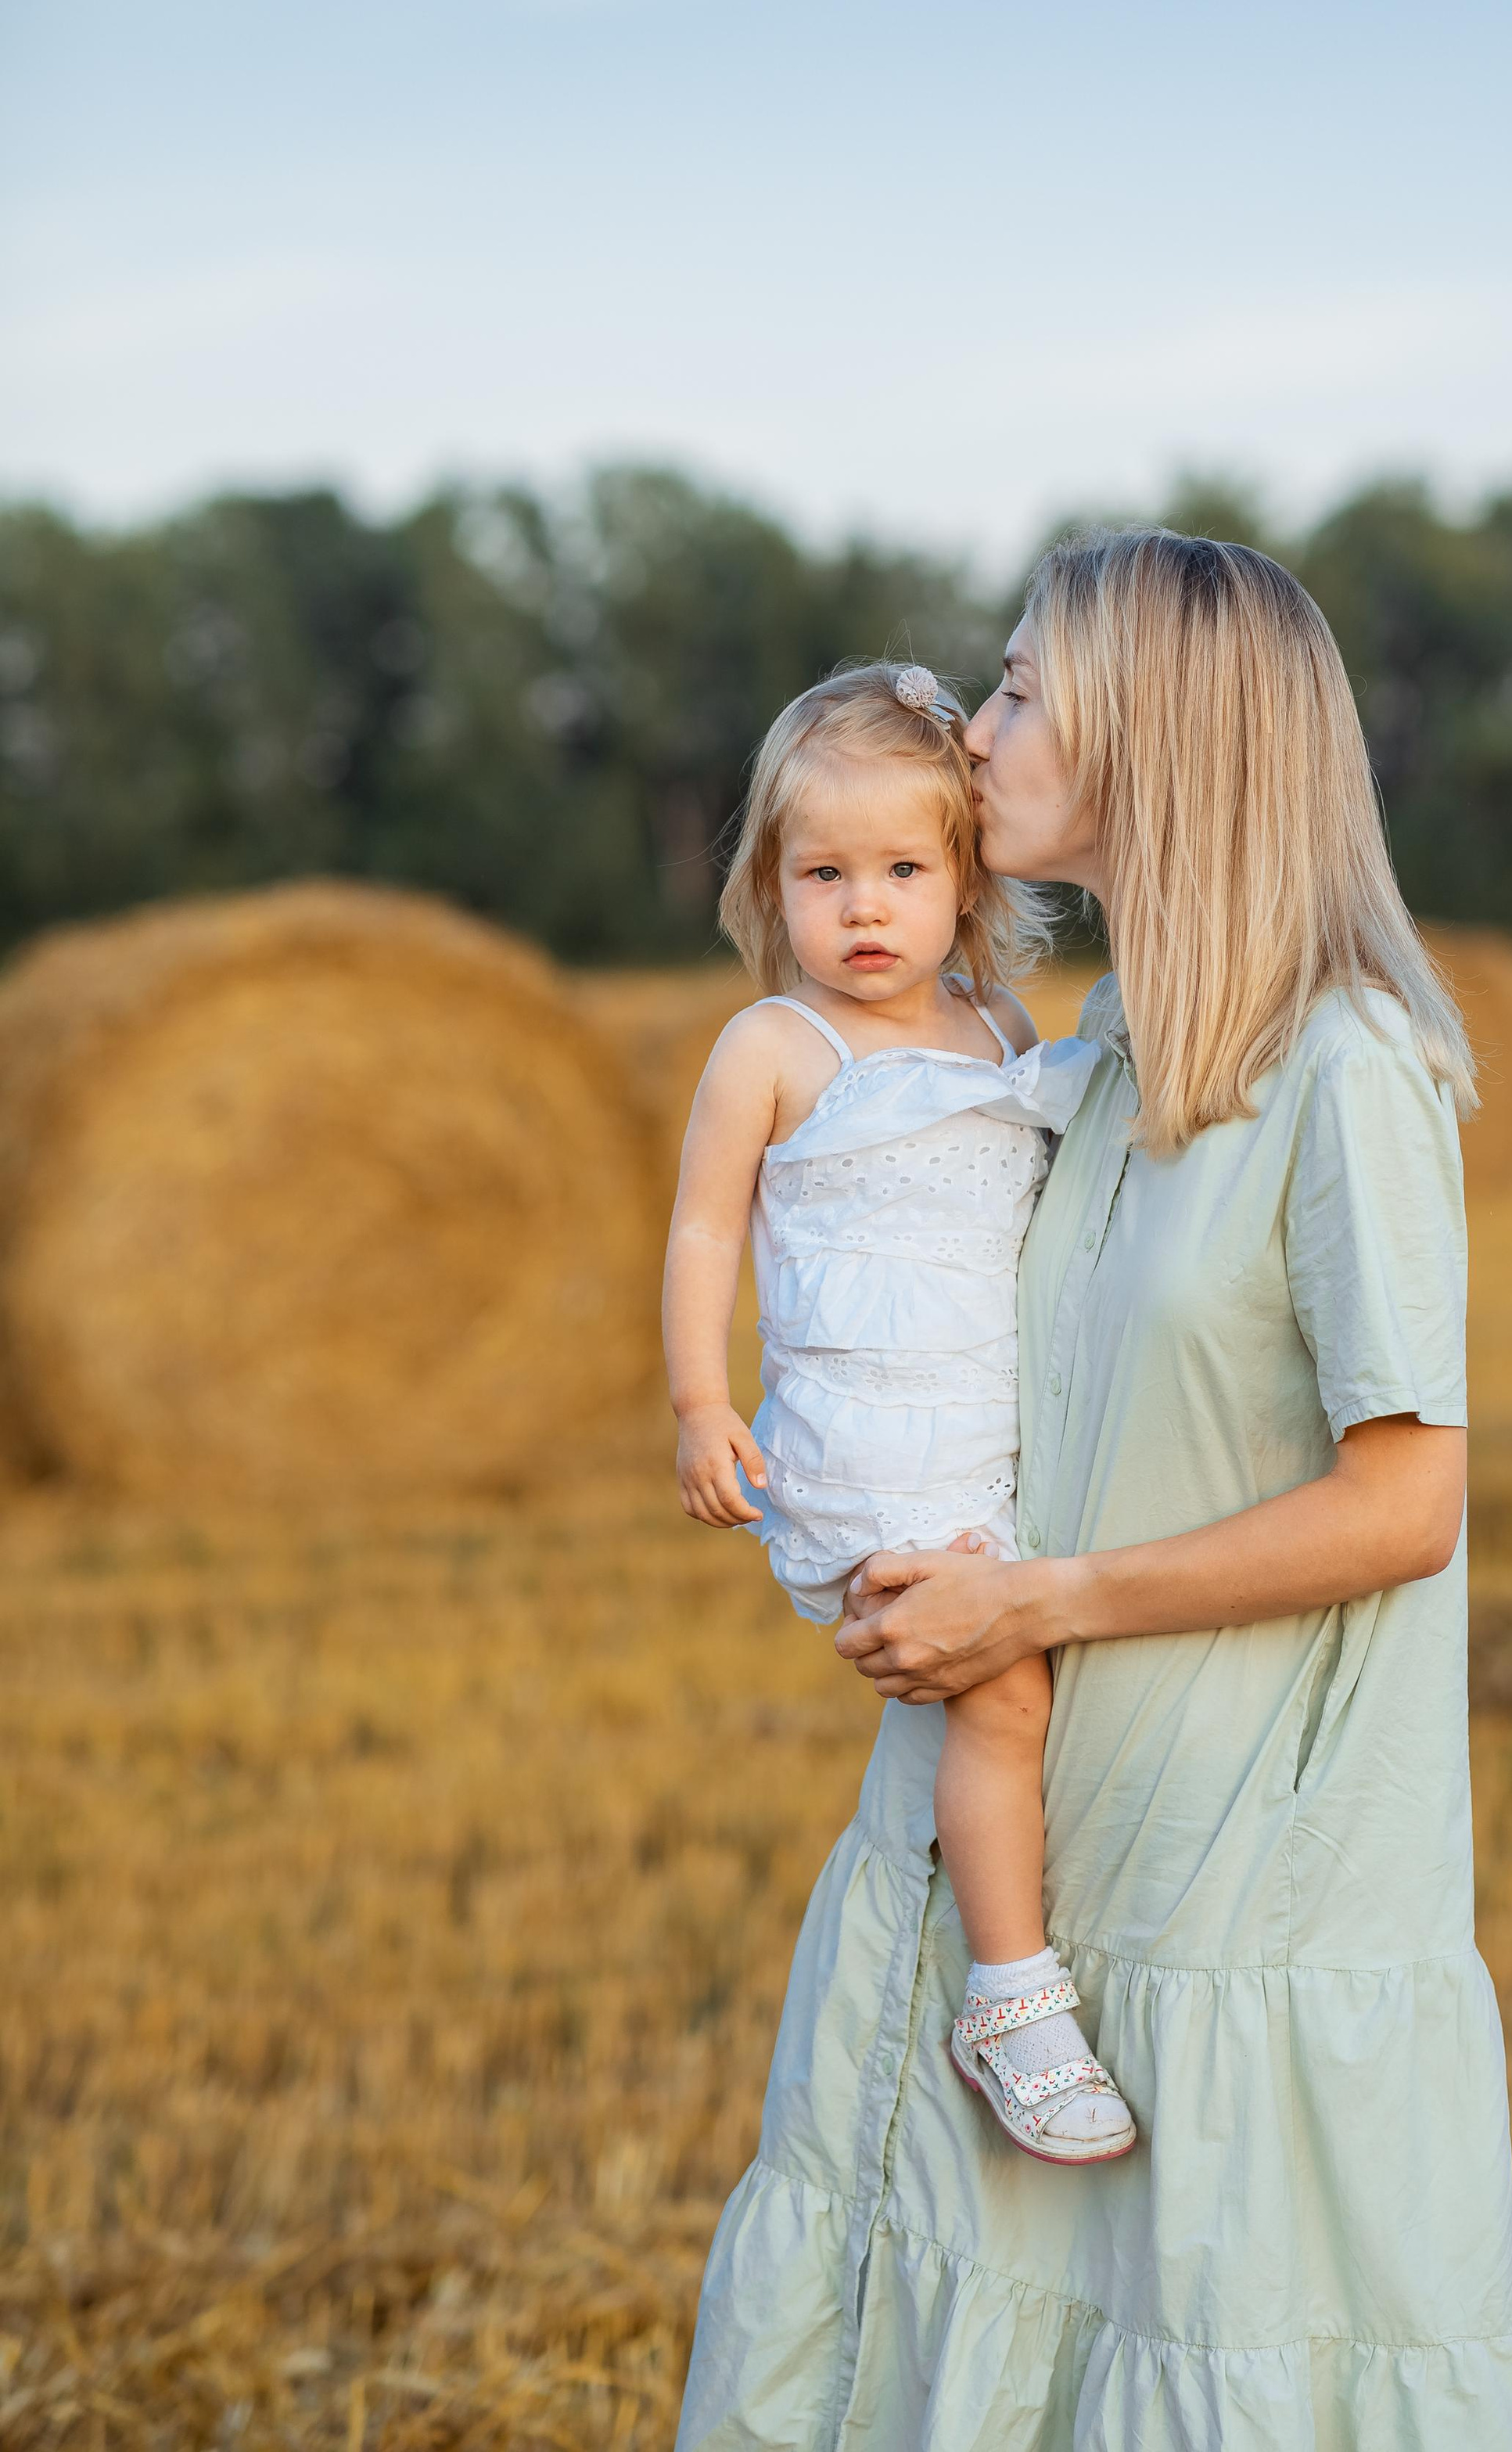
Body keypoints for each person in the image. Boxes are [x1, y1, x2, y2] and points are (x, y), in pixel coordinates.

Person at [676, 536, 1512, 2450]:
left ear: (1152, 737)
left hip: (1240, 1873)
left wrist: (1036, 1605)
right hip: (1030, 1852)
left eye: (1013, 692)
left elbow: (1403, 1507)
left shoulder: (1346, 1068)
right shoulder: (1086, 1060)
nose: (969, 734)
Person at [663, 659, 1137, 2164]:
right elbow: (704, 1229)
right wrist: (699, 1400)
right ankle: (1013, 2002)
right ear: (771, 886)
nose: (863, 909)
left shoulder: (1000, 1027)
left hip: (997, 1421)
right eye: (824, 876)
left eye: (903, 872)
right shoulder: (774, 1047)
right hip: (872, 1441)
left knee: (1055, 1688)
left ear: (965, 880)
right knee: (1000, 1691)